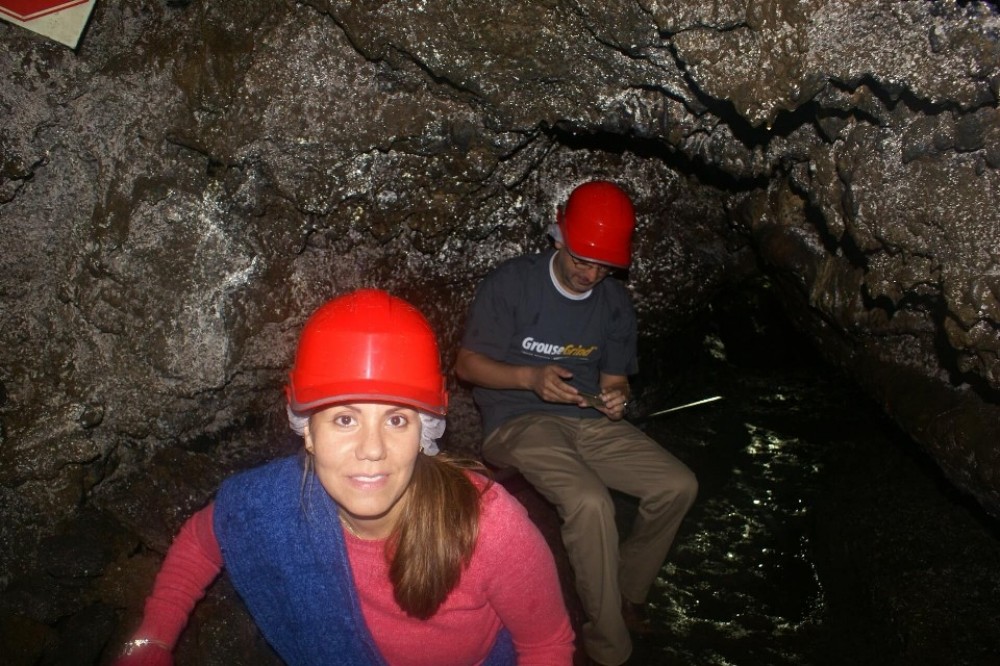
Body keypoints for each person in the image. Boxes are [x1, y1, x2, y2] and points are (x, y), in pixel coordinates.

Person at [114, 288, 574, 666]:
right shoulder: (278, 499)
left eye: (397, 420)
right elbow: (201, 541)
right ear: (307, 432)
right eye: (344, 419)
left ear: (424, 434)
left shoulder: (488, 526)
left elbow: (547, 645)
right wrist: (151, 640)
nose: (372, 450)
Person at [455, 180, 698, 666]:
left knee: (678, 484)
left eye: (602, 265)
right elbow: (466, 365)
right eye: (581, 259)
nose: (590, 273)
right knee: (589, 502)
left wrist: (616, 398)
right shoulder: (513, 283)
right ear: (558, 239)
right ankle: (609, 646)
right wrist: (530, 378)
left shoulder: (614, 304)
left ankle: (625, 589)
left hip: (588, 421)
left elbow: (616, 380)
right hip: (518, 420)